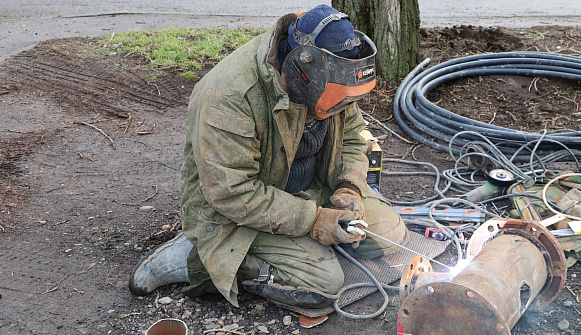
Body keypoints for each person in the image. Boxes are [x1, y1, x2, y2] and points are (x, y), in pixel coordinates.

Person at [128, 5, 406, 310]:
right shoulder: (230, 95)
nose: (341, 107)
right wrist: (313, 219)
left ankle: (302, 244)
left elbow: (353, 136)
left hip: (306, 189)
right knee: (323, 284)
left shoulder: (332, 72)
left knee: (389, 231)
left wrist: (348, 188)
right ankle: (199, 259)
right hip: (237, 212)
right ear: (303, 71)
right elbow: (232, 194)